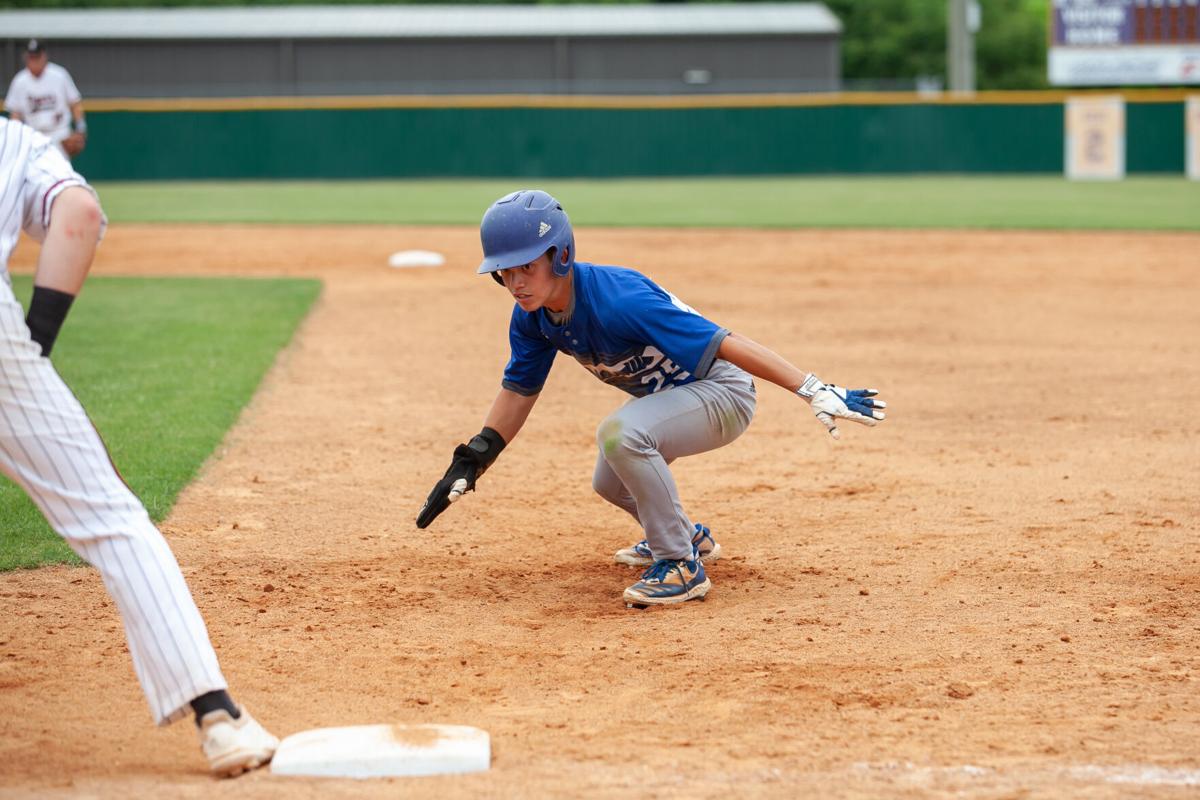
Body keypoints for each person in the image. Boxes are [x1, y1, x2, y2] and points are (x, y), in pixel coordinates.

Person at [417, 189, 887, 608]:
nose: (516, 282)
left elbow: (725, 341)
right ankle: (684, 535)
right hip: (675, 397)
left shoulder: (620, 299)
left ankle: (680, 563)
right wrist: (472, 459)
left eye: (527, 266)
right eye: (505, 271)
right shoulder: (533, 319)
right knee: (610, 482)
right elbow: (519, 393)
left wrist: (809, 387)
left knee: (621, 434)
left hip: (722, 392)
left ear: (559, 255)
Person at [0, 117, 278, 776]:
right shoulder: (13, 140)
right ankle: (219, 718)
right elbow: (79, 211)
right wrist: (33, 349)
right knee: (110, 518)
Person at [5, 40, 88, 161]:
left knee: (60, 174)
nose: (34, 61)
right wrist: (16, 139)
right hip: (33, 135)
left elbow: (74, 103)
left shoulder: (59, 75)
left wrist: (81, 128)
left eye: (37, 57)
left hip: (59, 134)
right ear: (26, 58)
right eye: (31, 57)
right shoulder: (19, 81)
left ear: (44, 56)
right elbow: (15, 114)